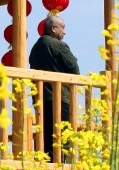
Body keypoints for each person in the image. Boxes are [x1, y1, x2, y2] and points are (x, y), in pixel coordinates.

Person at [28, 14, 80, 156]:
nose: (64, 32)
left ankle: (48, 169)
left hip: (41, 98)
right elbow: (74, 69)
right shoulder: (59, 45)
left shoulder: (35, 48)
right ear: (53, 28)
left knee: (46, 135)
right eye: (62, 28)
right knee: (63, 136)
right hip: (59, 97)